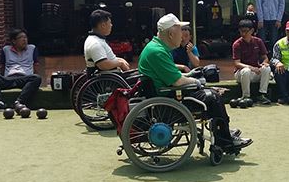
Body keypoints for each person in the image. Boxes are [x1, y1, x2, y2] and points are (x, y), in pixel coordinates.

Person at [138, 13, 252, 149]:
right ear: (170, 34)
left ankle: (223, 131)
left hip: (165, 93)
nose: (182, 35)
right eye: (180, 31)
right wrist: (196, 81)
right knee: (213, 98)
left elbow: (170, 73)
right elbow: (178, 81)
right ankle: (225, 141)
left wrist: (191, 76)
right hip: (168, 98)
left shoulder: (156, 48)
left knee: (209, 92)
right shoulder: (158, 51)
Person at [0, 28, 42, 112]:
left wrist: (35, 84)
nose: (24, 39)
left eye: (25, 37)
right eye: (21, 37)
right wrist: (2, 79)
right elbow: (2, 66)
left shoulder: (32, 48)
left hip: (25, 78)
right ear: (14, 41)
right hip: (9, 78)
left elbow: (36, 65)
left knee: (37, 78)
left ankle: (19, 103)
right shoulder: (6, 49)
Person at [232, 19, 271, 105]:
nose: (243, 34)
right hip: (241, 73)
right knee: (246, 71)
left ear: (252, 31)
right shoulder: (237, 44)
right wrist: (251, 68)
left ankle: (262, 94)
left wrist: (264, 62)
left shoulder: (258, 41)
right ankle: (246, 96)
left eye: (246, 31)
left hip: (255, 71)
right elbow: (237, 63)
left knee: (267, 69)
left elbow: (265, 57)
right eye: (241, 31)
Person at [84, 9, 130, 75]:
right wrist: (120, 63)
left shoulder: (96, 39)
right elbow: (103, 65)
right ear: (103, 25)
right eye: (110, 23)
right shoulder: (95, 43)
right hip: (111, 78)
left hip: (112, 74)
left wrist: (119, 60)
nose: (111, 25)